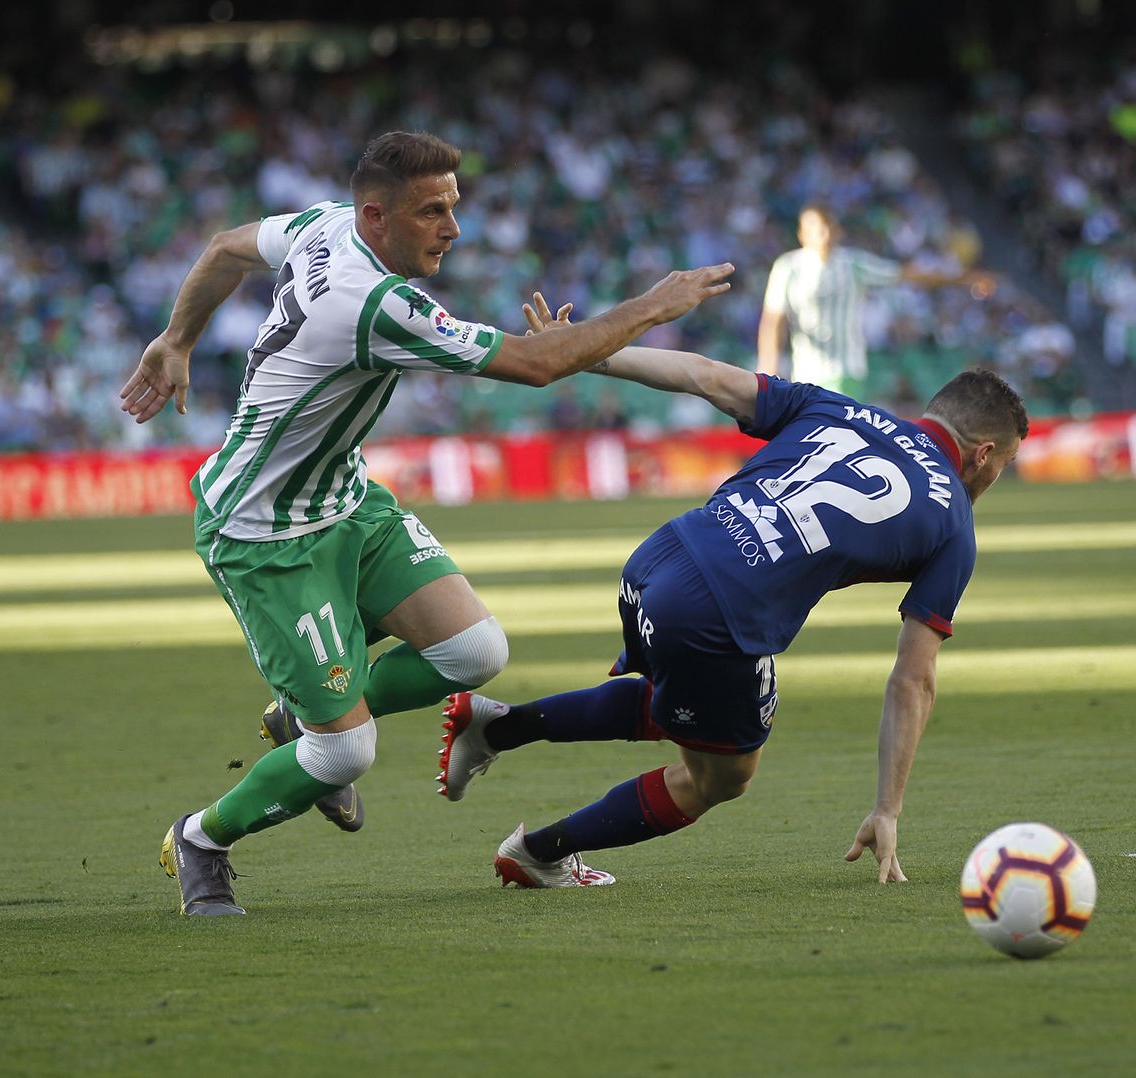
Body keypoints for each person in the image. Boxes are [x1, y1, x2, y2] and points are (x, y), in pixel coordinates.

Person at [121, 131, 733, 916]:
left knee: (475, 650)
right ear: (375, 215)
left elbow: (227, 249)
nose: (451, 227)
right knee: (345, 751)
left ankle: (303, 717)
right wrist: (656, 304)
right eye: (431, 211)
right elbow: (536, 367)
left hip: (346, 500)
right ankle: (205, 837)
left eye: (453, 206)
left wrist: (178, 339)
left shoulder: (323, 225)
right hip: (264, 533)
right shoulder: (374, 304)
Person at [438, 295, 1027, 886]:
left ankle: (498, 726)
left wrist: (582, 354)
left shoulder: (840, 409)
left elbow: (703, 375)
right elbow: (913, 678)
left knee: (688, 705)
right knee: (722, 775)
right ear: (983, 454)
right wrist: (887, 807)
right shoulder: (954, 525)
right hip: (718, 612)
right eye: (1002, 465)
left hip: (660, 555)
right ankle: (536, 853)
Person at [757, 204, 997, 396]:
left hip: (846, 370)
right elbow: (773, 320)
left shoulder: (853, 264)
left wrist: (966, 279)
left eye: (827, 226)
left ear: (838, 230)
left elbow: (908, 274)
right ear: (801, 233)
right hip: (806, 372)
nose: (823, 233)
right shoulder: (788, 268)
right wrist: (768, 365)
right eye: (815, 227)